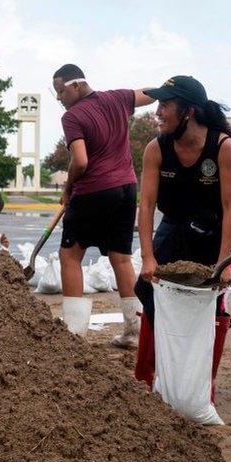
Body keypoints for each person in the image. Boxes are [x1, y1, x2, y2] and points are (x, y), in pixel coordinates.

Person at [133, 75, 231, 392]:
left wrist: (223, 265)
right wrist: (149, 258)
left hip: (216, 231)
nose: (158, 111)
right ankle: (147, 375)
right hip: (176, 227)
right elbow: (147, 204)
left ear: (188, 111)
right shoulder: (156, 148)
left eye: (166, 105)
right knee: (149, 291)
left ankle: (203, 385)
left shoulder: (222, 147)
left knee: (210, 303)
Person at [52, 63, 155, 348]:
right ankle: (134, 331)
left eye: (60, 91)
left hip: (94, 190)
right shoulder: (117, 98)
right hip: (126, 188)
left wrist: (68, 186)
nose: (59, 98)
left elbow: (81, 161)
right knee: (120, 257)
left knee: (70, 256)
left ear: (76, 85)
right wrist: (168, 88)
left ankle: (74, 333)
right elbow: (148, 94)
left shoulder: (73, 116)